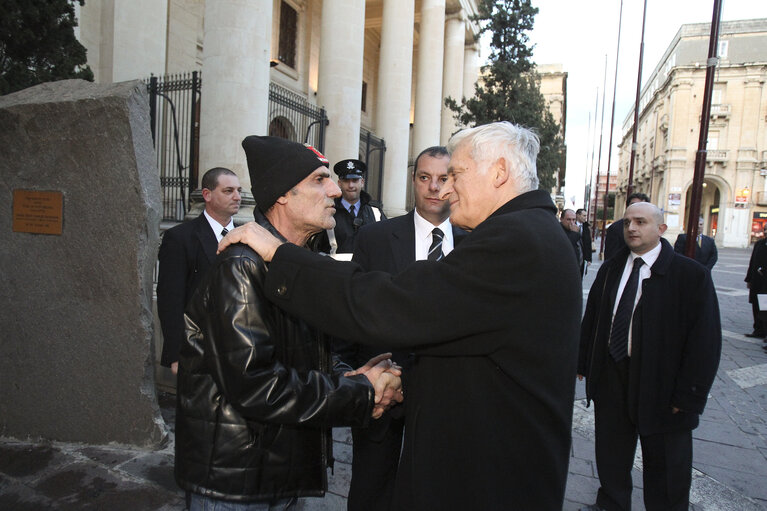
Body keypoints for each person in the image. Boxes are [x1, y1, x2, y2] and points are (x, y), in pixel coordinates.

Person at [220, 121, 583, 510]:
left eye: (455, 175)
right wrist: (392, 379)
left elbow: (396, 305)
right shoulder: (530, 232)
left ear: (498, 172)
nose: (444, 189)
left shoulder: (517, 240)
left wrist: (280, 256)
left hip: (492, 482)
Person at [174, 136, 403, 510]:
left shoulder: (297, 261)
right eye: (319, 179)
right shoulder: (242, 266)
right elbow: (256, 385)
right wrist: (361, 392)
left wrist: (347, 376)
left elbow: (306, 354)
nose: (334, 190)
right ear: (282, 195)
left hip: (278, 470)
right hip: (239, 482)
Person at [338, 146, 466, 511]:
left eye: (443, 179)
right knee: (371, 484)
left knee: (434, 488)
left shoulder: (475, 243)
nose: (434, 188)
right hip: (383, 388)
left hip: (446, 392)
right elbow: (356, 310)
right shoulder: (376, 238)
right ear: (414, 181)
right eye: (425, 178)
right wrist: (347, 371)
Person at [578, 202, 721, 511]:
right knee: (612, 456)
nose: (631, 228)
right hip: (613, 376)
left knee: (667, 466)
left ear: (661, 229)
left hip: (664, 388)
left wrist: (689, 395)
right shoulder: (612, 268)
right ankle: (611, 505)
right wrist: (583, 362)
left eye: (640, 222)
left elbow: (705, 341)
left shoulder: (690, 276)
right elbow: (595, 318)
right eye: (628, 221)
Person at [156, 167, 241, 374]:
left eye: (239, 190)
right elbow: (170, 299)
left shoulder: (248, 235)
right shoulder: (180, 238)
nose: (237, 197)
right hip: (198, 349)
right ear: (207, 195)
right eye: (228, 191)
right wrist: (176, 354)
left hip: (242, 348)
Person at [319, 158, 385, 255]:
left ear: (362, 182)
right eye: (346, 181)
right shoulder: (328, 211)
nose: (351, 185)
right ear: (339, 183)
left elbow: (386, 243)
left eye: (355, 180)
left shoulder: (376, 213)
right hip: (336, 269)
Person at [603, 192, 650, 261]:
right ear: (627, 207)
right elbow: (610, 257)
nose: (636, 208)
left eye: (641, 205)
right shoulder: (615, 228)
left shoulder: (651, 227)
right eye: (633, 205)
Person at [745, 222, 767, 342]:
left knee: (765, 307)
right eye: (765, 229)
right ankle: (758, 329)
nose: (766, 231)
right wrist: (749, 279)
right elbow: (753, 262)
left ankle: (764, 331)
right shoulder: (759, 244)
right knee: (756, 304)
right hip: (757, 281)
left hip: (765, 283)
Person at [577, 208, 593, 274]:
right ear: (578, 215)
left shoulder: (586, 227)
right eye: (584, 216)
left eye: (586, 216)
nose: (585, 218)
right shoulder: (571, 225)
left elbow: (588, 244)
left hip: (583, 258)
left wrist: (589, 258)